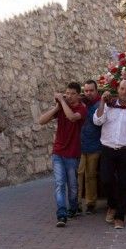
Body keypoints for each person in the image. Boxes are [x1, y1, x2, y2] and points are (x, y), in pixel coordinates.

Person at [93, 80, 126, 229]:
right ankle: (112, 205)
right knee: (106, 180)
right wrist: (102, 103)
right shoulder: (109, 106)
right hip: (107, 149)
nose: (124, 92)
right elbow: (97, 121)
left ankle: (119, 216)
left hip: (125, 150)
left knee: (124, 183)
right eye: (122, 88)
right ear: (118, 89)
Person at [38, 82, 87, 227]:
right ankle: (61, 215)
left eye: (72, 94)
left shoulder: (81, 108)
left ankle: (73, 208)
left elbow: (72, 117)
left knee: (72, 186)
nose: (69, 96)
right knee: (60, 184)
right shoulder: (61, 108)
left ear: (78, 95)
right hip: (58, 152)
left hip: (72, 154)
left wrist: (62, 102)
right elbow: (41, 121)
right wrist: (57, 107)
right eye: (67, 93)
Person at [77, 80, 102, 215]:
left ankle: (90, 203)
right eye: (86, 91)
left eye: (91, 90)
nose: (88, 93)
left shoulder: (100, 104)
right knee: (79, 174)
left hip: (94, 145)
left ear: (96, 91)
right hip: (80, 145)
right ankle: (77, 202)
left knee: (91, 175)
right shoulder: (81, 103)